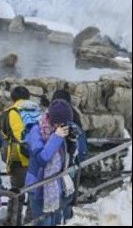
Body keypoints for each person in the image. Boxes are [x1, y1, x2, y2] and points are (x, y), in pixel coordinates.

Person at [25, 99, 81, 226]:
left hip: (56, 186)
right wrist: (56, 137)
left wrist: (71, 141)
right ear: (52, 120)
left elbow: (69, 158)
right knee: (44, 223)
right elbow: (41, 159)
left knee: (55, 222)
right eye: (59, 123)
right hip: (38, 186)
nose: (62, 125)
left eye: (65, 123)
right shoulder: (37, 131)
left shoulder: (62, 129)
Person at [1, 86, 40, 224]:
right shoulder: (37, 110)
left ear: (12, 98)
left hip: (18, 158)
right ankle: (30, 221)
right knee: (33, 193)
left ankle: (13, 221)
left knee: (16, 193)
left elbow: (5, 134)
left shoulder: (10, 112)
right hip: (36, 157)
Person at [50, 91, 87, 221]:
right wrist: (80, 162)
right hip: (71, 166)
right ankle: (66, 219)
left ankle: (63, 218)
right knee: (68, 196)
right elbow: (81, 143)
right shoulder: (73, 115)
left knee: (60, 199)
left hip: (61, 166)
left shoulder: (53, 118)